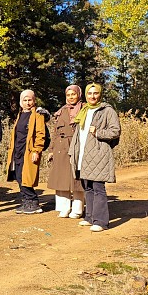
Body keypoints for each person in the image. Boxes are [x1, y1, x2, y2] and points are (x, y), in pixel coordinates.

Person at [69, 83, 120, 232]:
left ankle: (101, 221)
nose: (92, 96)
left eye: (95, 93)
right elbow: (79, 134)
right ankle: (90, 217)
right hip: (84, 155)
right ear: (86, 95)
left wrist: (98, 132)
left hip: (98, 153)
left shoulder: (107, 110)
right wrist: (73, 150)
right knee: (88, 187)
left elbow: (115, 131)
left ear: (100, 94)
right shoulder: (84, 110)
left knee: (98, 187)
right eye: (90, 93)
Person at [47, 85, 85, 218]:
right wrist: (51, 150)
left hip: (77, 146)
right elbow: (56, 132)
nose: (71, 97)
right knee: (61, 179)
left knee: (77, 179)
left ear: (79, 94)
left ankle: (77, 209)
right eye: (68, 95)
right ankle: (64, 208)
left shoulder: (85, 109)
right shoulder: (61, 111)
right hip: (60, 148)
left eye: (73, 94)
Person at [6, 90, 46, 215]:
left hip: (28, 151)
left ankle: (33, 202)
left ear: (34, 101)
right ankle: (26, 201)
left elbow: (41, 134)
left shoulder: (38, 115)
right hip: (17, 151)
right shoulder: (20, 114)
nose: (27, 103)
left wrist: (36, 150)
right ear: (20, 102)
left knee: (26, 177)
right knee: (18, 177)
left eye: (30, 100)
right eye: (25, 100)